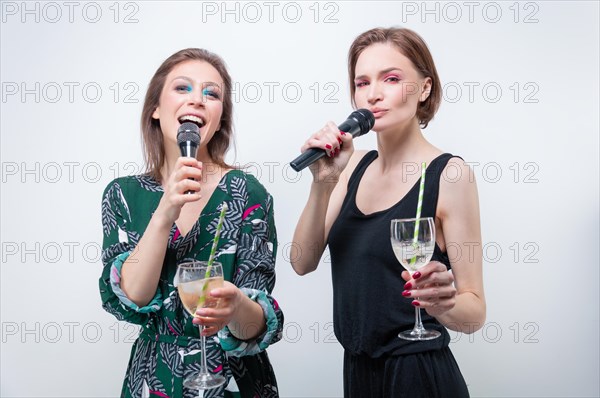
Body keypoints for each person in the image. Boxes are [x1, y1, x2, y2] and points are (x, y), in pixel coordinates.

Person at [291, 27, 485, 397]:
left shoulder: (450, 174)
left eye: (391, 79)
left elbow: (474, 313)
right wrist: (322, 182)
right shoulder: (350, 167)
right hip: (357, 372)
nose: (373, 94)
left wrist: (441, 305)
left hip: (418, 374)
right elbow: (301, 261)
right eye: (362, 82)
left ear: (424, 89)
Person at [99, 48, 283, 398]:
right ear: (155, 109)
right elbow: (133, 297)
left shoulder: (247, 193)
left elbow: (256, 326)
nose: (197, 100)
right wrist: (165, 209)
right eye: (183, 88)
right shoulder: (123, 194)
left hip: (232, 380)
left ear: (219, 121)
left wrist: (236, 309)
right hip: (153, 379)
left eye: (211, 93)